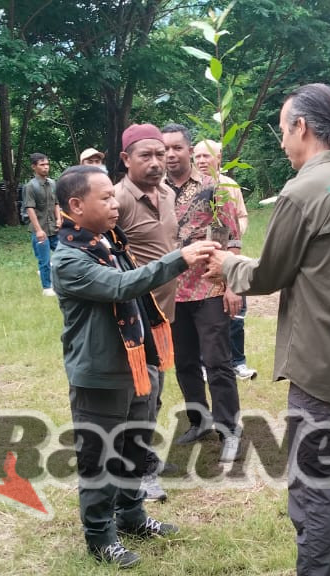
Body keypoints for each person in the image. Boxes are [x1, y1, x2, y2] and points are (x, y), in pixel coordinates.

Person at [206, 82, 330, 576]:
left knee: (316, 489)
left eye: (282, 129)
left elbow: (270, 274)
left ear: (302, 127)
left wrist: (227, 263)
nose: (281, 142)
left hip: (324, 369)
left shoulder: (303, 190)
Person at [52, 164, 217, 568]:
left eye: (114, 195)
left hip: (139, 364)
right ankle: (99, 535)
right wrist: (178, 259)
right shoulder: (69, 259)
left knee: (134, 446)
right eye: (105, 197)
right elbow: (123, 286)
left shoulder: (108, 243)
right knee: (101, 456)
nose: (115, 203)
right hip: (102, 374)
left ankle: (132, 516)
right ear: (75, 206)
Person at [162, 123, 245, 462]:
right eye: (164, 149)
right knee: (184, 363)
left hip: (210, 287)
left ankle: (230, 429)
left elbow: (234, 240)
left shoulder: (213, 188)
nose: (170, 155)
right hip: (171, 292)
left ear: (188, 149)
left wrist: (232, 286)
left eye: (176, 148)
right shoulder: (156, 191)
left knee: (217, 361)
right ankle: (199, 421)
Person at [114, 123, 180, 502]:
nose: (158, 162)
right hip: (133, 316)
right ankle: (136, 471)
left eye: (161, 155)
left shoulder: (168, 194)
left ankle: (145, 457)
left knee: (155, 393)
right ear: (126, 159)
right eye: (147, 156)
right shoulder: (118, 199)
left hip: (164, 313)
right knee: (141, 393)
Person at [193, 138, 257, 381]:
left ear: (219, 158)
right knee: (203, 314)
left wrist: (230, 234)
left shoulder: (229, 186)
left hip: (228, 254)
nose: (201, 161)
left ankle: (238, 362)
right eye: (197, 156)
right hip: (200, 260)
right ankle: (202, 363)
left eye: (206, 156)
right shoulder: (190, 188)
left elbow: (241, 216)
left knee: (237, 308)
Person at [24, 153, 60, 297]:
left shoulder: (53, 183)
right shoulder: (30, 187)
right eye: (42, 165)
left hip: (54, 228)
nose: (46, 167)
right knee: (44, 260)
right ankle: (47, 287)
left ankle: (61, 283)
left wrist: (59, 219)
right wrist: (38, 230)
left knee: (64, 255)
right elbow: (30, 209)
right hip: (41, 230)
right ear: (34, 167)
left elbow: (56, 203)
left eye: (47, 164)